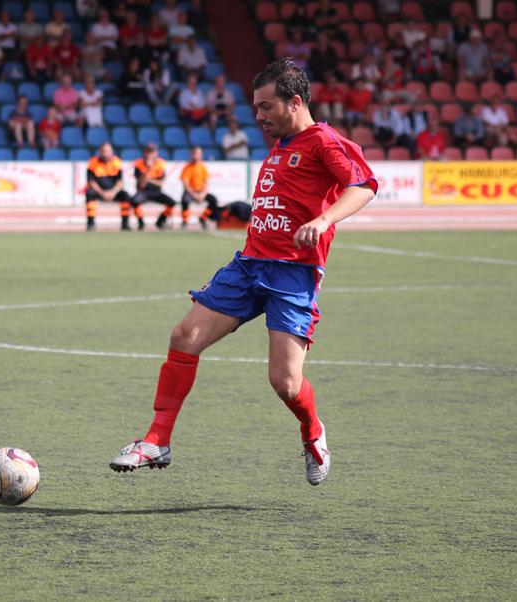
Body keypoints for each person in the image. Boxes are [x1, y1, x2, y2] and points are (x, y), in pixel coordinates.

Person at [109, 59, 377, 486]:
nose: (259, 116)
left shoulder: (323, 141)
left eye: (266, 106)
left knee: (285, 382)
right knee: (184, 336)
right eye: (256, 107)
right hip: (249, 265)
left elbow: (363, 185)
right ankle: (157, 439)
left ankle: (312, 431)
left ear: (294, 102)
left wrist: (324, 221)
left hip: (293, 273)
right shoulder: (280, 143)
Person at [85, 142, 135, 231]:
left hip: (113, 191)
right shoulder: (93, 163)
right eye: (104, 151)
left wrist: (113, 192)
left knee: (125, 196)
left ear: (111, 151)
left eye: (108, 151)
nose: (106, 153)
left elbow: (120, 182)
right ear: (99, 152)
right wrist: (102, 193)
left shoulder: (116, 162)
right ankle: (90, 223)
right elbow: (91, 182)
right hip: (99, 191)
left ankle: (125, 224)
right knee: (89, 193)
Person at [132, 143, 178, 230]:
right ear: (144, 153)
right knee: (134, 201)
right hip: (143, 192)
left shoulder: (160, 164)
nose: (150, 154)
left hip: (156, 192)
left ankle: (160, 221)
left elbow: (160, 183)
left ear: (156, 153)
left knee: (172, 203)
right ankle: (141, 222)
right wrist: (148, 169)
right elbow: (141, 184)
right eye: (148, 152)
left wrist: (149, 180)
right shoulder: (138, 164)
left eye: (152, 152)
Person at [180, 146, 219, 229]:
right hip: (191, 192)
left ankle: (203, 217)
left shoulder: (203, 167)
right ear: (191, 154)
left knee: (213, 200)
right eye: (194, 153)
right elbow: (186, 184)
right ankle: (185, 221)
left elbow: (206, 183)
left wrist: (203, 194)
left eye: (198, 154)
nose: (196, 156)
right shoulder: (187, 167)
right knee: (184, 200)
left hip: (201, 192)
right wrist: (194, 195)